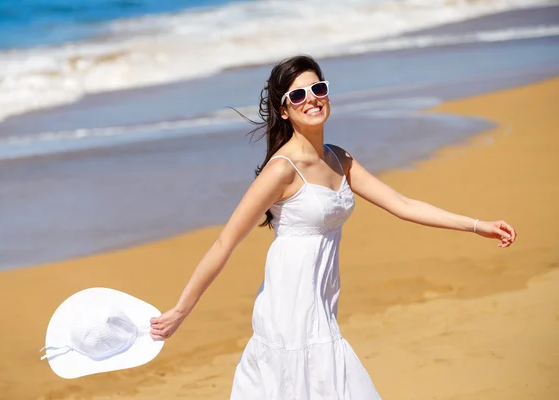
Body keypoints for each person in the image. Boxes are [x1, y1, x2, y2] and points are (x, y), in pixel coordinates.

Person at [150, 55, 517, 399]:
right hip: (289, 309)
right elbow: (223, 243)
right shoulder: (281, 170)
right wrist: (180, 311)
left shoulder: (339, 158)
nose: (311, 99)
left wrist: (476, 225)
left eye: (317, 89)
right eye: (298, 95)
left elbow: (403, 205)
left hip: (322, 305)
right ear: (284, 109)